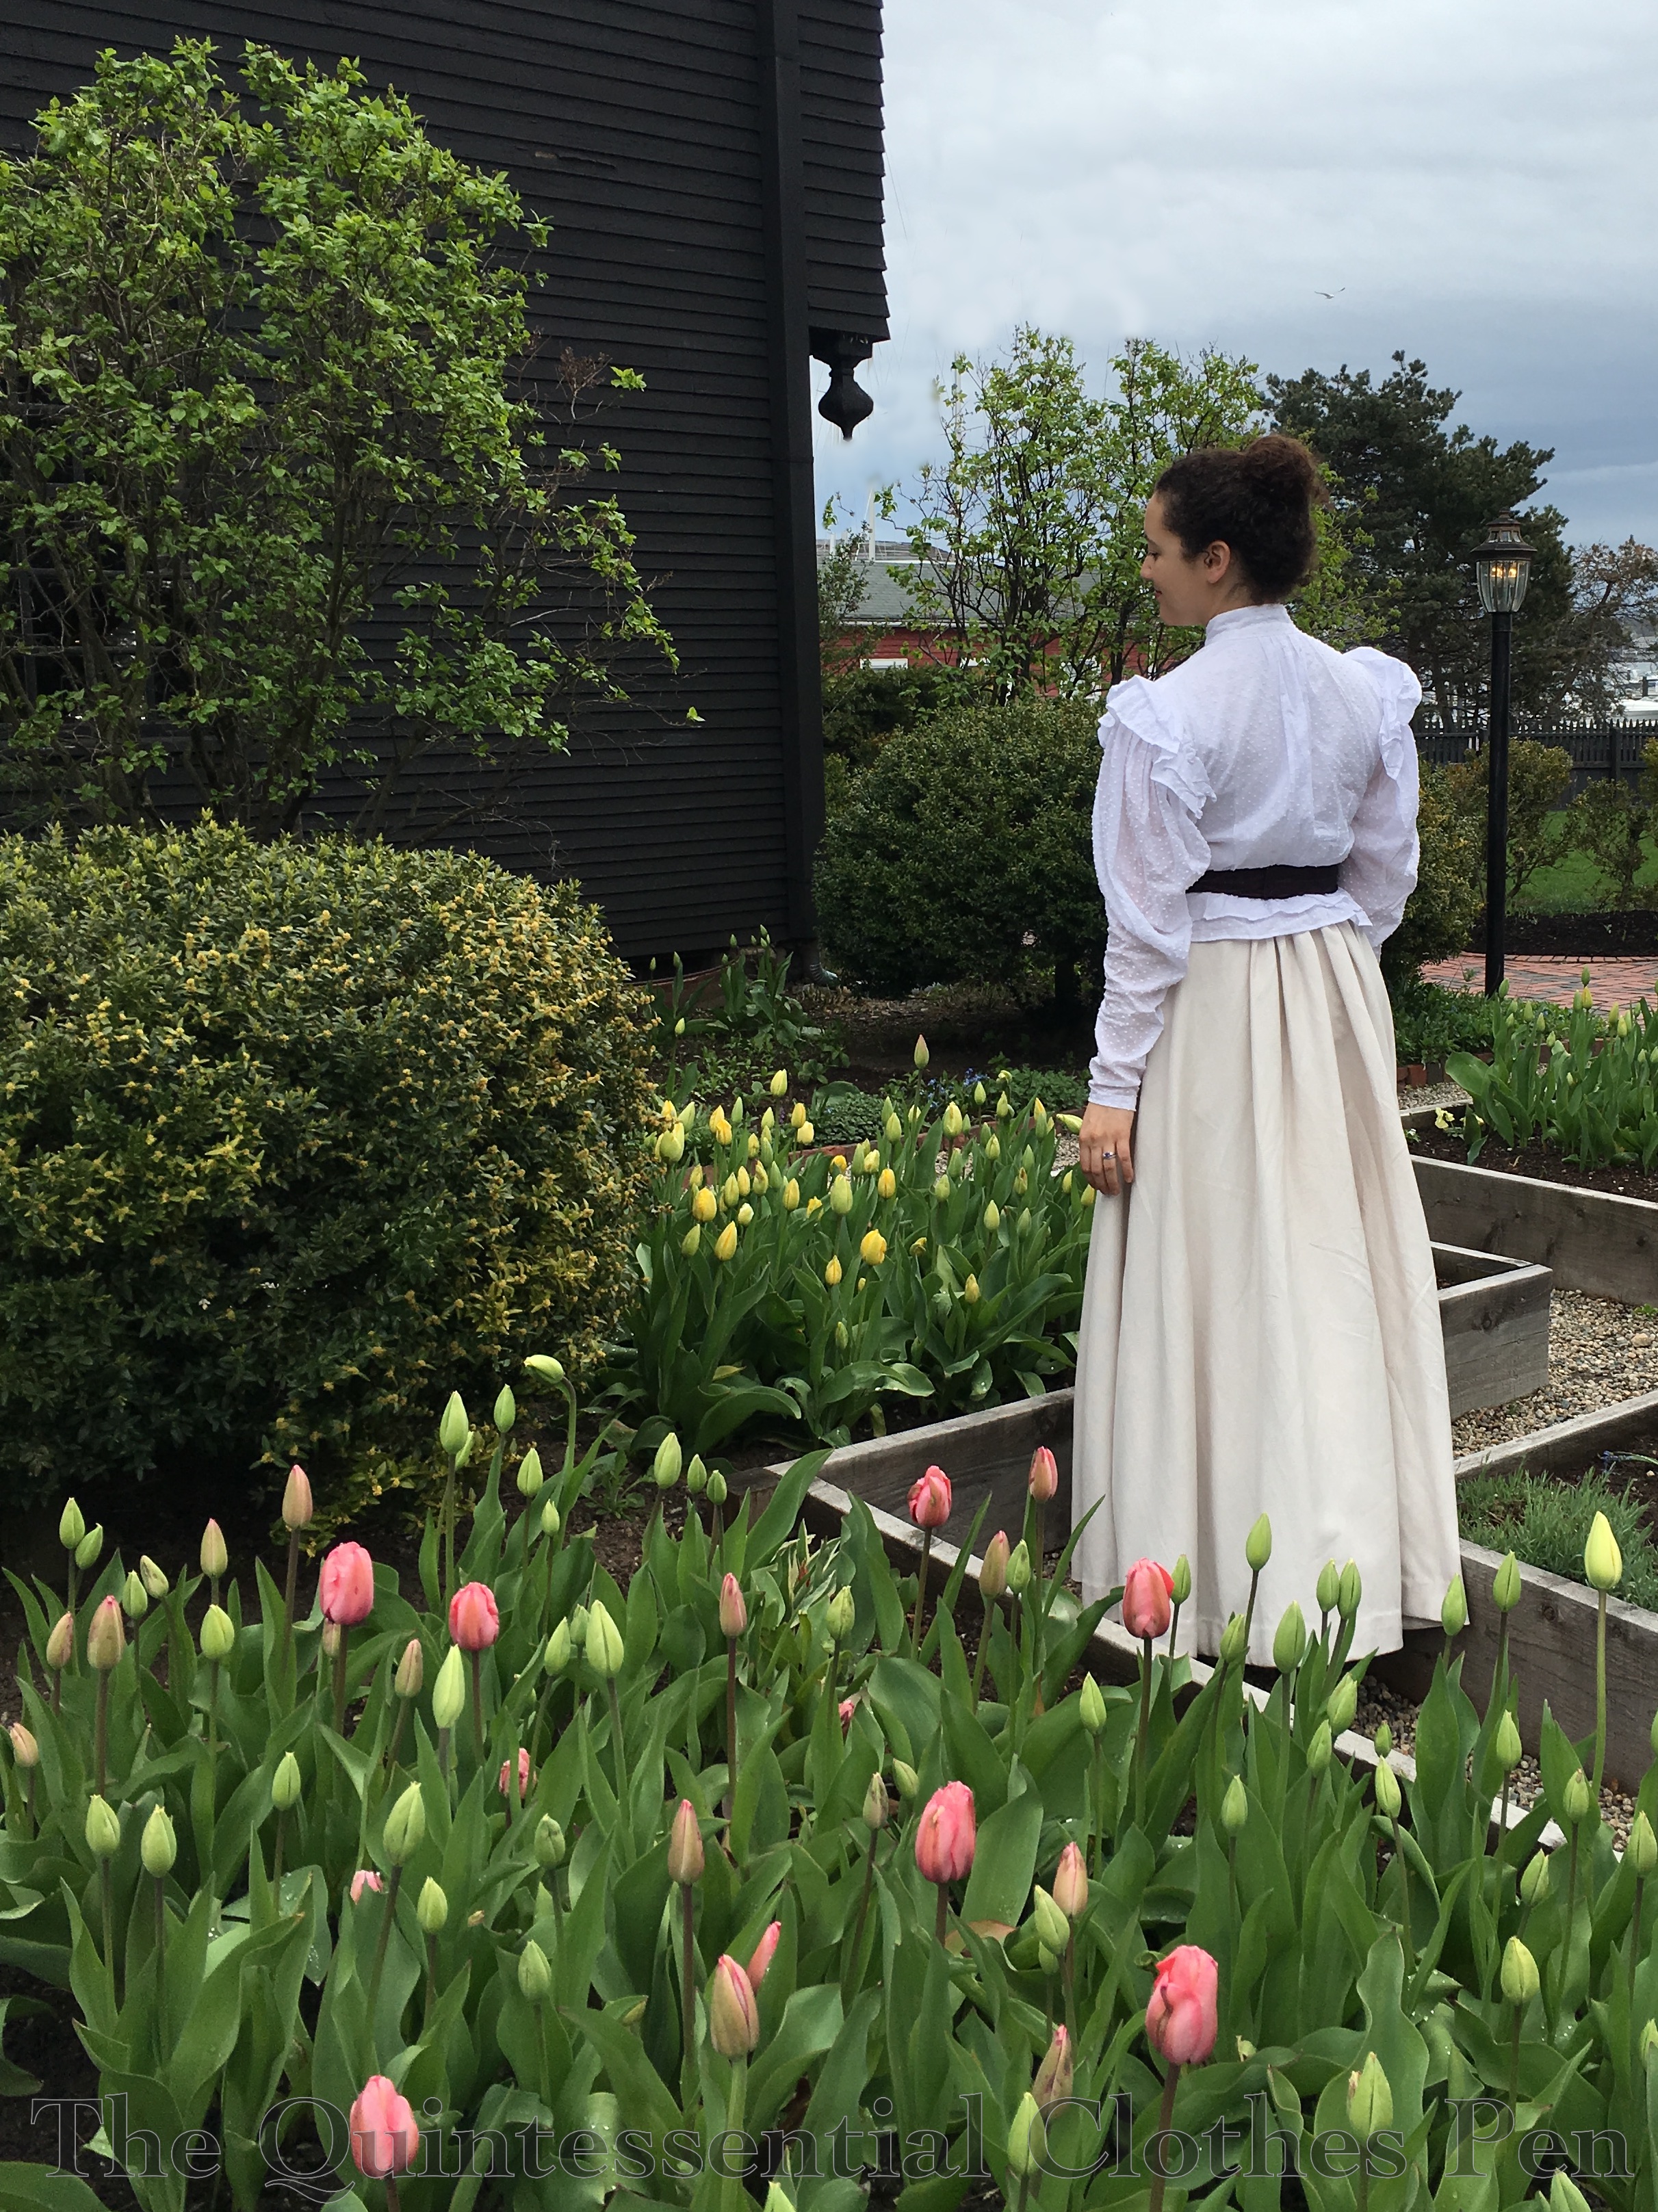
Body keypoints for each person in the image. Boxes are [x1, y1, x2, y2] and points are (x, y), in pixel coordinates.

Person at [1071, 432, 1460, 1665]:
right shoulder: (1362, 693)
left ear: (1217, 559)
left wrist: (1113, 1087)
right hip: (1333, 985)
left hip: (1217, 1002)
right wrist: (1328, 961)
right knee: (1335, 1271)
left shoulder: (1166, 716)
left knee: (1218, 1269)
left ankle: (1201, 1578)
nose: (1146, 569)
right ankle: (1351, 1564)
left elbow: (1146, 925)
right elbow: (1386, 872)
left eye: (1157, 549)